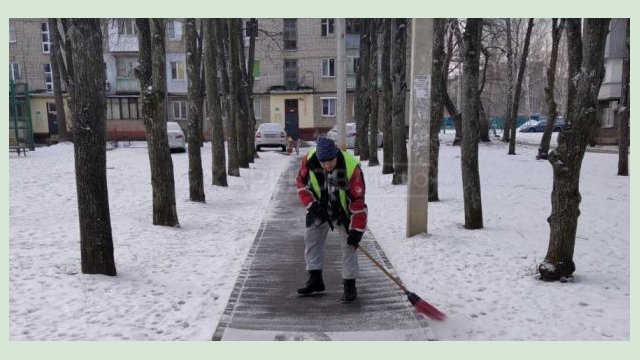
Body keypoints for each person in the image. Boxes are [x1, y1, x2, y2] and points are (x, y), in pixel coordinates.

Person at [294, 137, 367, 303]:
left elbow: (358, 202)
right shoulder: (310, 160)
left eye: (330, 162)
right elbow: (300, 184)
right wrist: (311, 204)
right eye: (323, 162)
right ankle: (315, 280)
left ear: (336, 155)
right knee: (311, 239)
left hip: (344, 210)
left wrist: (356, 230)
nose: (327, 166)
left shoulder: (351, 168)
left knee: (349, 245)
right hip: (319, 206)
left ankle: (350, 285)